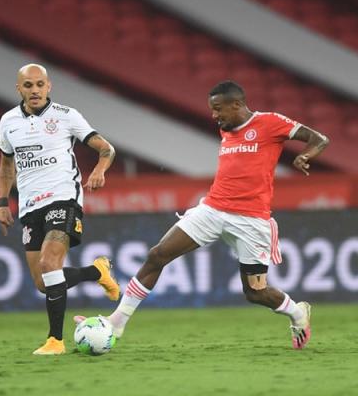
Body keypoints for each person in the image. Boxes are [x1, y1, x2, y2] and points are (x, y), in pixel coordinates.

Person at [76, 80, 329, 350]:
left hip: (251, 220)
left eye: (218, 109)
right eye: (212, 110)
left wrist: (307, 154)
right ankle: (117, 321)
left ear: (237, 105)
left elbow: (319, 139)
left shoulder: (270, 122)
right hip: (212, 209)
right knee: (157, 255)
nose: (214, 115)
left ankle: (298, 312)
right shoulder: (227, 130)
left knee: (255, 293)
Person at [0, 63, 119, 355]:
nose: (35, 90)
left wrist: (100, 170)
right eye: (28, 85)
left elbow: (107, 149)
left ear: (49, 86)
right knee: (43, 282)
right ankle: (96, 271)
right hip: (29, 205)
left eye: (40, 84)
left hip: (64, 198)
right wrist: (3, 202)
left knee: (50, 265)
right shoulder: (8, 121)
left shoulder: (66, 116)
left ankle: (55, 341)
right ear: (19, 89)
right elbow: (5, 165)